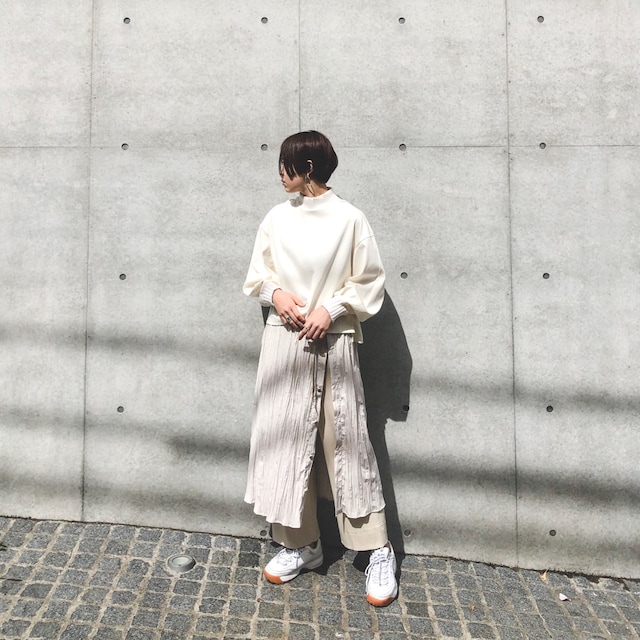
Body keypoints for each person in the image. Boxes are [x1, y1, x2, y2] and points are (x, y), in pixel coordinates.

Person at [243, 130, 397, 606]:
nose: (279, 173)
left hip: (335, 343)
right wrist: (276, 295)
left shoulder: (350, 219)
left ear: (307, 167)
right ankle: (301, 544)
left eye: (286, 164)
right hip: (284, 342)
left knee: (346, 442)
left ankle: (377, 549)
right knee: (284, 441)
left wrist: (331, 308)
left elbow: (369, 281)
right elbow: (258, 275)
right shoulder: (276, 217)